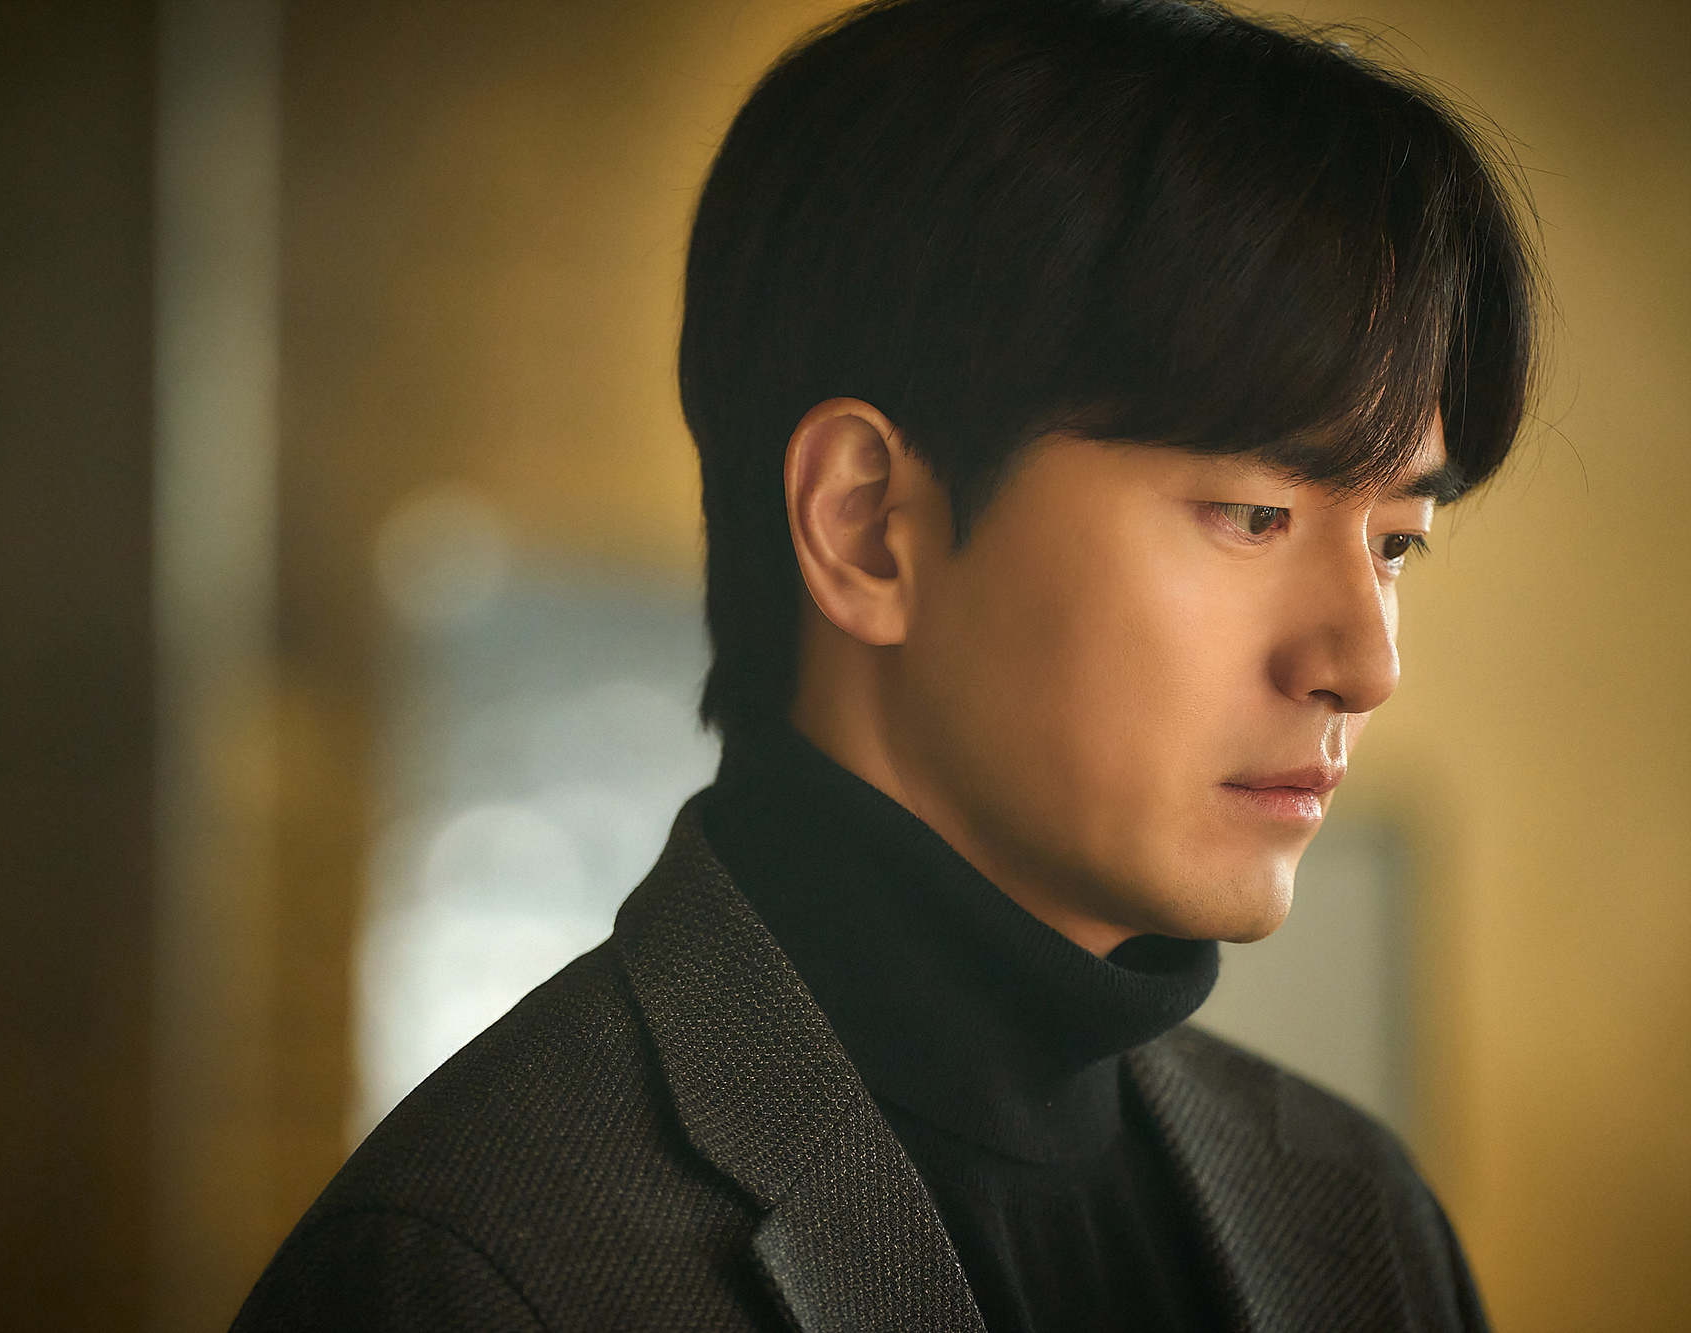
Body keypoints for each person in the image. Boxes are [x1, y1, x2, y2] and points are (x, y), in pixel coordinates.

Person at [233, 0, 1537, 1328]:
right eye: (1254, 515)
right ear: (868, 523)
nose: (1363, 664)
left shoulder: (1359, 1225)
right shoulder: (471, 1277)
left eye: (1396, 543)